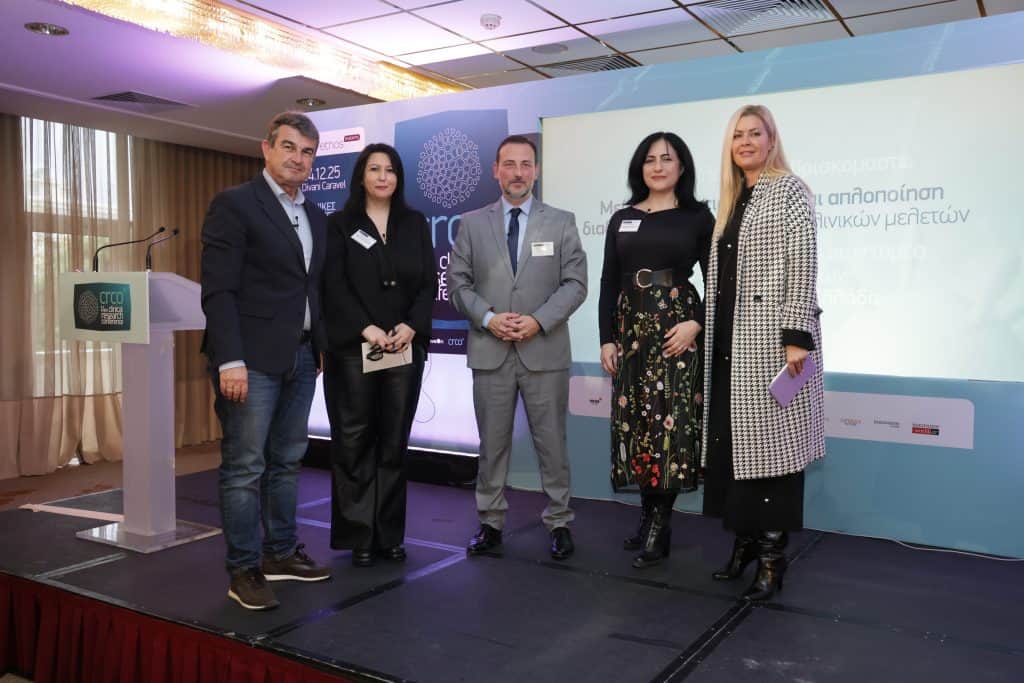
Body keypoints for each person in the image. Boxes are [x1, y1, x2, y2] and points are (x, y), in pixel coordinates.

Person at [201, 111, 331, 610]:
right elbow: (219, 290)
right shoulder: (235, 204)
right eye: (289, 147)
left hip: (301, 356)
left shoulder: (315, 215)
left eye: (307, 152)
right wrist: (229, 359)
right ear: (267, 148)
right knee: (244, 467)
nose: (298, 159)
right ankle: (244, 569)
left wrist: (318, 345)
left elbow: (311, 287)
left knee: (287, 462)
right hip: (249, 361)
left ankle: (280, 553)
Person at [701, 104, 825, 601]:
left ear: (772, 140)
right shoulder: (733, 197)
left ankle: (773, 559)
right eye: (738, 135)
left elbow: (804, 261)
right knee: (736, 451)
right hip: (730, 344)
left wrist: (796, 335)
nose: (746, 142)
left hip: (774, 345)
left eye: (755, 133)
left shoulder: (789, 189)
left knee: (774, 453)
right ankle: (746, 543)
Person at [449, 135, 587, 561]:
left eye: (526, 164)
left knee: (552, 444)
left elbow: (575, 284)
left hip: (543, 349)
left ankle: (559, 522)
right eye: (509, 164)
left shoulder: (561, 222)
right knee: (491, 446)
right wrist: (489, 318)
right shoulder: (472, 223)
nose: (517, 172)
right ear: (496, 170)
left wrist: (538, 320)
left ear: (536, 171)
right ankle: (490, 523)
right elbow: (458, 284)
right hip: (490, 350)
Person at [598, 132, 713, 569]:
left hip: (676, 332)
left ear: (682, 167)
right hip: (631, 334)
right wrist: (607, 338)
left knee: (672, 425)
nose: (658, 166)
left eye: (667, 159)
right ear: (639, 168)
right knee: (640, 424)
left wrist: (696, 323)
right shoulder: (622, 218)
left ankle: (659, 525)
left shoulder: (697, 217)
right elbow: (609, 281)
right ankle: (649, 515)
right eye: (650, 159)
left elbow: (718, 281)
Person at [322, 143, 435, 567]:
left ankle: (388, 534)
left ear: (398, 177)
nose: (383, 176)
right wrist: (365, 328)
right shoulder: (339, 224)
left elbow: (428, 282)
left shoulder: (415, 223)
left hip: (404, 347)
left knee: (393, 443)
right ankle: (359, 536)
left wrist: (411, 326)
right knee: (353, 443)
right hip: (355, 349)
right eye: (374, 169)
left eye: (390, 169)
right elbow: (333, 284)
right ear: (361, 176)